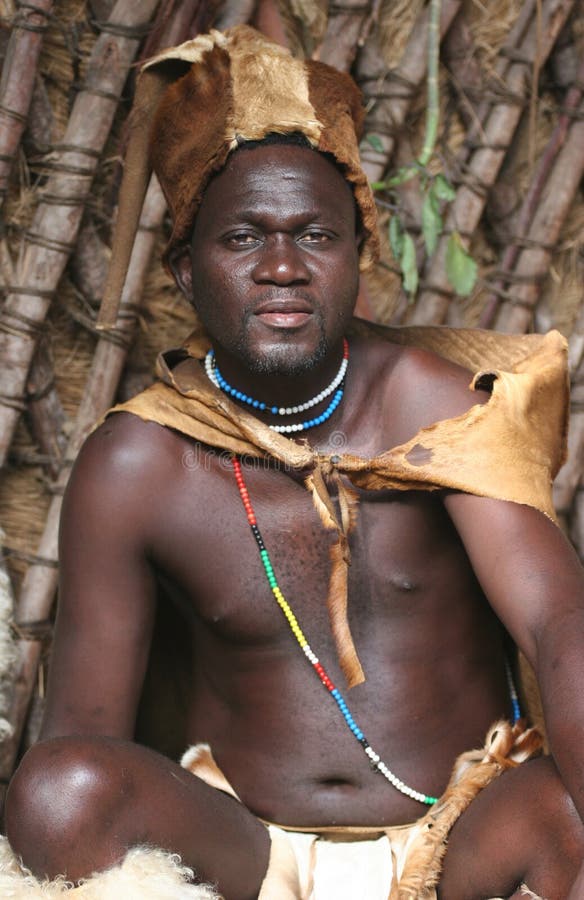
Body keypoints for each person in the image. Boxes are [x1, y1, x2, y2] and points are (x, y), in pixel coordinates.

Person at [3, 25, 584, 900]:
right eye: (243, 239)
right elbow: (86, 732)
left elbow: (559, 628)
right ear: (186, 271)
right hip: (246, 859)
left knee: (570, 811)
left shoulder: (437, 409)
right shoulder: (139, 462)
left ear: (357, 258)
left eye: (315, 235)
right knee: (57, 795)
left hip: (464, 841)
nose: (282, 267)